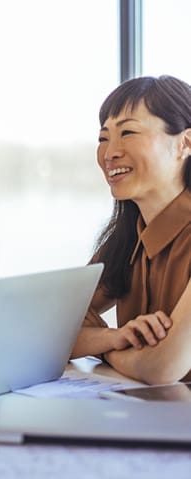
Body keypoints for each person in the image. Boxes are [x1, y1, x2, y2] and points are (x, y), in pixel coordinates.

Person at [71, 75, 191, 385]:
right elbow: (49, 330)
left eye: (128, 132)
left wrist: (107, 348)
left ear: (185, 143)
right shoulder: (126, 238)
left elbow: (161, 368)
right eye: (103, 138)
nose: (110, 152)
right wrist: (116, 337)